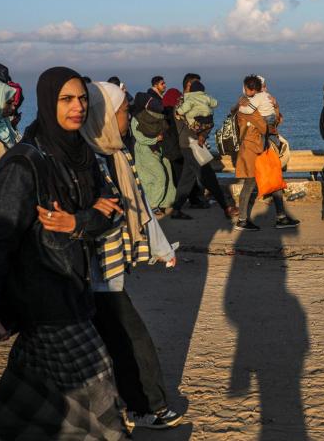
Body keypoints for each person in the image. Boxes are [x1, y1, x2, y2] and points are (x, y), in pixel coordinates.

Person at [0, 67, 126, 440]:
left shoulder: (81, 156)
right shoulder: (25, 165)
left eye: (82, 99)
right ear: (47, 102)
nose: (77, 107)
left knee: (32, 388)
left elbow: (113, 211)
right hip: (43, 297)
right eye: (66, 99)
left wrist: (77, 222)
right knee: (98, 377)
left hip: (74, 287)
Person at [81, 81, 182, 430]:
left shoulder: (116, 154)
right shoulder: (86, 159)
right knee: (130, 340)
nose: (130, 117)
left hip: (107, 270)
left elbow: (139, 207)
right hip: (91, 272)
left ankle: (141, 405)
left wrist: (162, 248)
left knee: (119, 341)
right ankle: (146, 406)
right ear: (106, 116)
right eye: (124, 111)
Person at [234, 75, 299, 231]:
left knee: (274, 180)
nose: (266, 90)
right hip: (253, 150)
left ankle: (281, 217)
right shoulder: (246, 105)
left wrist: (275, 106)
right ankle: (242, 220)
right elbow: (266, 127)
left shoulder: (256, 103)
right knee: (250, 184)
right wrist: (272, 113)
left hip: (261, 148)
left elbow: (275, 122)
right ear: (255, 89)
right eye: (263, 87)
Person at [170, 74, 238, 221]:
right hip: (189, 144)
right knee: (207, 175)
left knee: (187, 179)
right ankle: (226, 206)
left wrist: (203, 134)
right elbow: (190, 122)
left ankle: (176, 209)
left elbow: (206, 121)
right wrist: (201, 132)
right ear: (188, 85)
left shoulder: (194, 101)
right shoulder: (181, 103)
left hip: (193, 143)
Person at [131, 92, 176, 215]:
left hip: (159, 149)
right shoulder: (136, 119)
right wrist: (155, 139)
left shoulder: (153, 116)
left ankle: (164, 202)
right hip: (145, 151)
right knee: (158, 176)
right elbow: (140, 137)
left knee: (166, 173)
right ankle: (152, 204)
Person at [176, 80, 218, 146]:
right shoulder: (206, 97)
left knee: (187, 120)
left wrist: (178, 112)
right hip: (209, 122)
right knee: (206, 129)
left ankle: (197, 138)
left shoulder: (190, 99)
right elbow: (215, 103)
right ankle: (202, 138)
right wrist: (208, 98)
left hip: (196, 124)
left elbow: (184, 108)